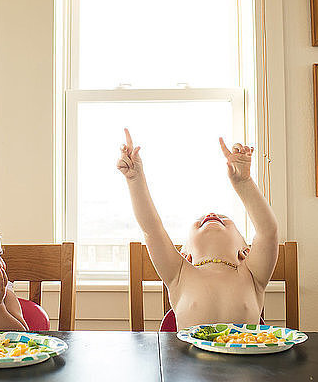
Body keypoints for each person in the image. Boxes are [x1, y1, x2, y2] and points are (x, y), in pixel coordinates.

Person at [117, 128, 278, 330]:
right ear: (186, 254)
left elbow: (267, 232)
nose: (211, 215)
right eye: (199, 222)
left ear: (245, 251)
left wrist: (244, 183)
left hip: (245, 361)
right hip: (189, 362)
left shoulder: (253, 274)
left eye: (224, 219)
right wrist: (134, 179)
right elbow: (152, 230)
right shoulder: (179, 273)